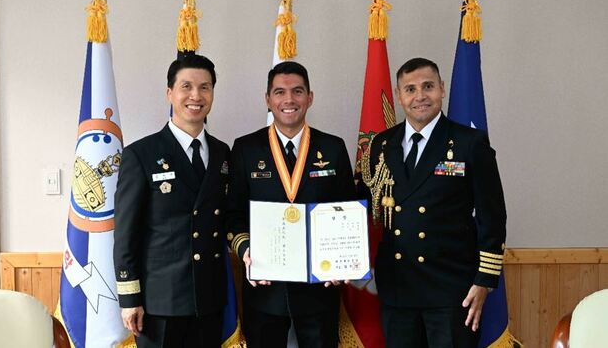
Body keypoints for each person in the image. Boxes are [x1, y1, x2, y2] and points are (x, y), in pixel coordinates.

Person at [361, 57, 506, 347]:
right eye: (410, 89)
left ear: (442, 88)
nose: (420, 96)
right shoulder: (381, 145)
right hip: (398, 289)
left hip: (451, 290)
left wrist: (485, 280)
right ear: (399, 95)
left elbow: (492, 216)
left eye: (428, 86)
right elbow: (364, 207)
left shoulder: (469, 143)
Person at [226, 61, 355, 348]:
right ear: (268, 99)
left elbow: (348, 212)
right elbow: (233, 214)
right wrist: (246, 250)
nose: (289, 100)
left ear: (310, 97)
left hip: (320, 288)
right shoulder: (246, 149)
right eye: (280, 92)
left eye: (297, 91)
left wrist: (342, 258)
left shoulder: (333, 147)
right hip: (265, 290)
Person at [113, 54, 230, 348]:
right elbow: (126, 233)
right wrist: (129, 298)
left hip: (209, 298)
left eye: (205, 87)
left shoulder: (222, 153)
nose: (196, 96)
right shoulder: (141, 154)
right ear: (170, 93)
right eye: (186, 86)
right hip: (159, 303)